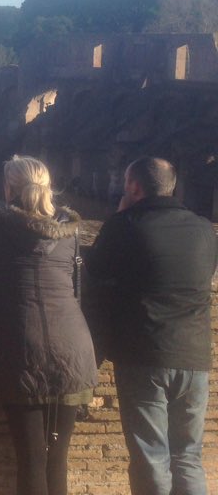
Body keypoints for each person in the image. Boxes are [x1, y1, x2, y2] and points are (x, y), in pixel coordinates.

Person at [0, 155, 97, 495]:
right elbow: (78, 284)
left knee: (32, 460)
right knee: (56, 459)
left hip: (22, 349)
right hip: (75, 348)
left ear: (9, 188)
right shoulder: (69, 230)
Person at [86, 157, 217, 495]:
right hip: (195, 358)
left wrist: (118, 215)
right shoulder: (204, 229)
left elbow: (95, 270)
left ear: (133, 187)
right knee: (188, 455)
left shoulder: (125, 225)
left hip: (144, 355)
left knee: (151, 456)